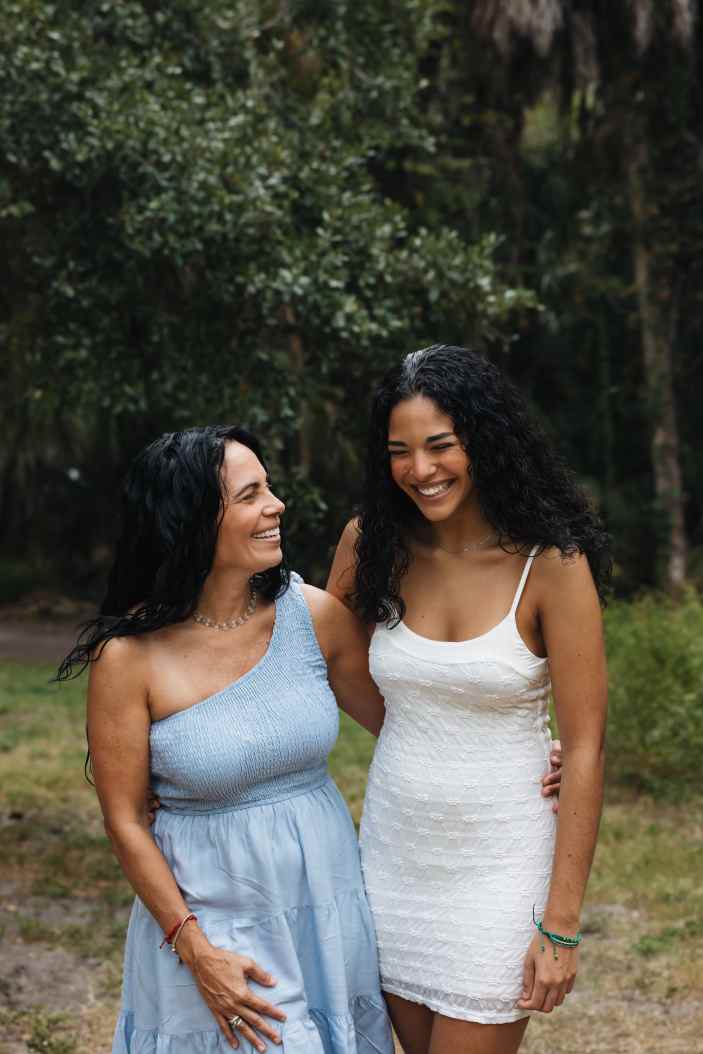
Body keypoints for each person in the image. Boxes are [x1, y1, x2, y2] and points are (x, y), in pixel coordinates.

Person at [59, 425, 395, 1054]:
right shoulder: (128, 657)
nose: (276, 505)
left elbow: (405, 725)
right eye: (250, 495)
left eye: (269, 488)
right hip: (208, 916)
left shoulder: (312, 615)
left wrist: (532, 751)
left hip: (324, 902)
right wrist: (197, 950)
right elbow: (125, 821)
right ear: (192, 521)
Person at [326, 345, 609, 1054]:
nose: (420, 469)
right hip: (393, 857)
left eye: (439, 445)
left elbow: (584, 748)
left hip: (500, 866)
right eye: (399, 452)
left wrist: (560, 925)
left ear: (483, 439)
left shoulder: (552, 564)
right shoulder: (371, 543)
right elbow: (320, 658)